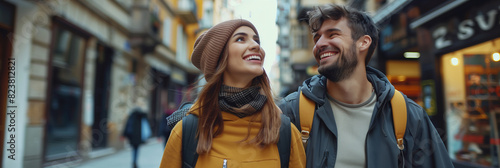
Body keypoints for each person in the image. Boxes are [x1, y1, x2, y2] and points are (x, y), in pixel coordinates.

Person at [278, 4, 454, 167]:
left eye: (333, 34)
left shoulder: (409, 116)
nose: (319, 44)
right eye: (317, 38)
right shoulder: (291, 112)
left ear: (364, 42)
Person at [159, 19, 306, 168]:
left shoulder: (285, 131)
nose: (256, 45)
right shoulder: (187, 130)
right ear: (219, 57)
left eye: (257, 41)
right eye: (241, 39)